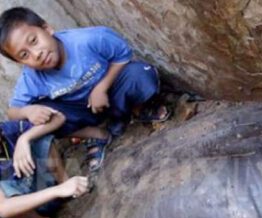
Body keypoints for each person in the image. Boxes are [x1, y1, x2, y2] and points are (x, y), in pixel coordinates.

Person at [0, 7, 170, 171]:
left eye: (34, 41)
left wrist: (101, 87)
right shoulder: (31, 77)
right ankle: (97, 134)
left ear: (47, 28)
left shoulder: (88, 39)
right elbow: (13, 111)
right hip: (83, 111)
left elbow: (123, 55)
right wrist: (30, 111)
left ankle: (136, 110)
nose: (36, 54)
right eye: (24, 55)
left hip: (112, 92)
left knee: (140, 74)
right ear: (20, 63)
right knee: (38, 118)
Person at [0, 110, 89, 218]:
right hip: (28, 212)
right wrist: (58, 190)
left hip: (42, 182)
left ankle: (66, 183)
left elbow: (58, 118)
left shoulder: (8, 130)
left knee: (38, 135)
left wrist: (24, 139)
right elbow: (3, 208)